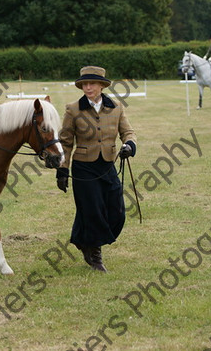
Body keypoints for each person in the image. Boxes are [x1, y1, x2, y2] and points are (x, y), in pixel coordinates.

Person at [56, 66, 137, 272]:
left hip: (108, 164)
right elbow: (65, 142)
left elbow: (128, 132)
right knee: (93, 211)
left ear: (102, 85)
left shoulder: (116, 107)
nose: (88, 87)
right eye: (84, 84)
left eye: (92, 83)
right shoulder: (73, 109)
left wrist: (129, 145)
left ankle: (82, 240)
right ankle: (95, 254)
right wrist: (62, 169)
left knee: (117, 211)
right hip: (84, 167)